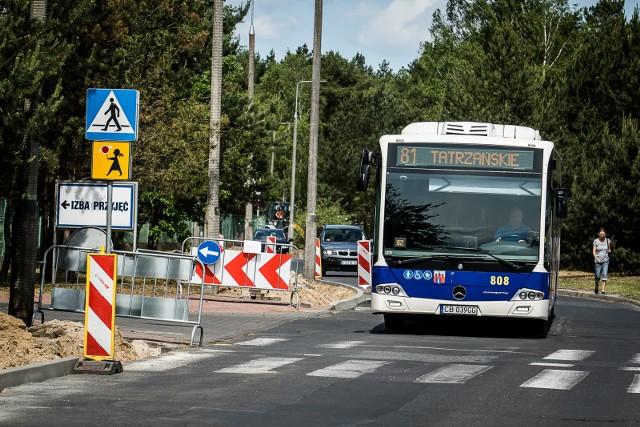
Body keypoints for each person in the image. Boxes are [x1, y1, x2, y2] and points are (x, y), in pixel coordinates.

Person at [593, 228, 612, 295]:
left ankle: (603, 290)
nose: (602, 235)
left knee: (604, 274)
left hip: (605, 260)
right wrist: (596, 258)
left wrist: (609, 251)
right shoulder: (596, 241)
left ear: (605, 234)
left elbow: (609, 249)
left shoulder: (607, 240)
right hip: (598, 260)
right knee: (597, 276)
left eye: (603, 234)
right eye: (601, 234)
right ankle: (596, 286)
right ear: (598, 234)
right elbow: (593, 251)